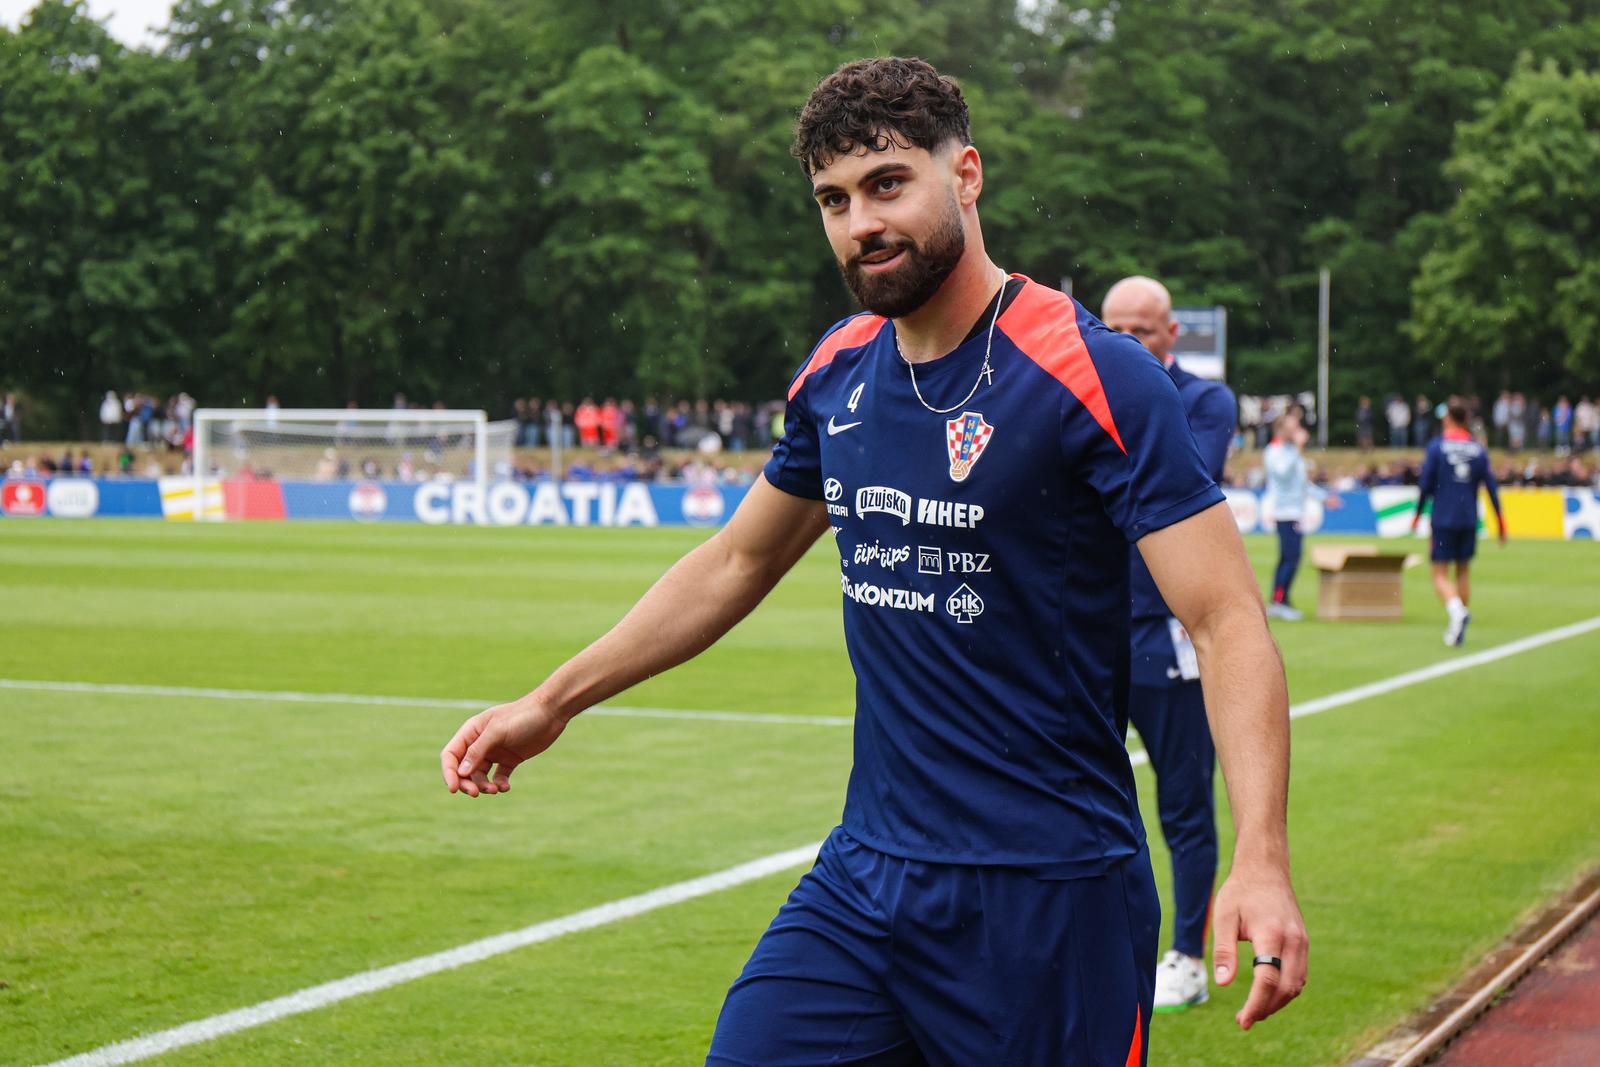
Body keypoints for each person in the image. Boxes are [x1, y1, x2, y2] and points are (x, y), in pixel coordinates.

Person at [440, 57, 1306, 1064]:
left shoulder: (1093, 374)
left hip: (1051, 896)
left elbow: (1226, 619)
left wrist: (1262, 855)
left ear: (966, 175)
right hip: (867, 879)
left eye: (888, 183)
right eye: (834, 199)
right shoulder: (838, 367)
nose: (861, 224)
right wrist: (554, 699)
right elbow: (735, 562)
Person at [1102, 275, 1237, 1013]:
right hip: (1090, 633)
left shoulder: (1206, 402)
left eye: (1143, 332)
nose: (1126, 344)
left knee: (1184, 801)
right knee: (1074, 793)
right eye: (1113, 329)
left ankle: (1185, 953)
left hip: (1170, 634)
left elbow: (1171, 480)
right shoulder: (1078, 390)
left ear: (1172, 333)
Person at [1412, 401, 1506, 646]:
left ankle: (1457, 613)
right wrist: (1501, 521)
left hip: (1443, 517)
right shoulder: (1477, 449)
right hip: (1468, 518)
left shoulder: (1437, 447)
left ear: (1447, 419)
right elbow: (1492, 487)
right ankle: (1457, 629)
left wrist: (1417, 514)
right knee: (1463, 570)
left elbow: (1425, 485)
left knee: (1439, 573)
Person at [1263, 411, 1338, 620]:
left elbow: (1301, 483)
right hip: (1284, 512)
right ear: (1281, 429)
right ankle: (1279, 601)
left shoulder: (1289, 451)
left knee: (1291, 557)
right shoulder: (1274, 451)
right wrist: (1298, 448)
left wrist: (1324, 498)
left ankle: (1280, 599)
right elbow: (1283, 474)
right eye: (1292, 427)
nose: (1297, 430)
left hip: (1295, 511)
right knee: (1290, 557)